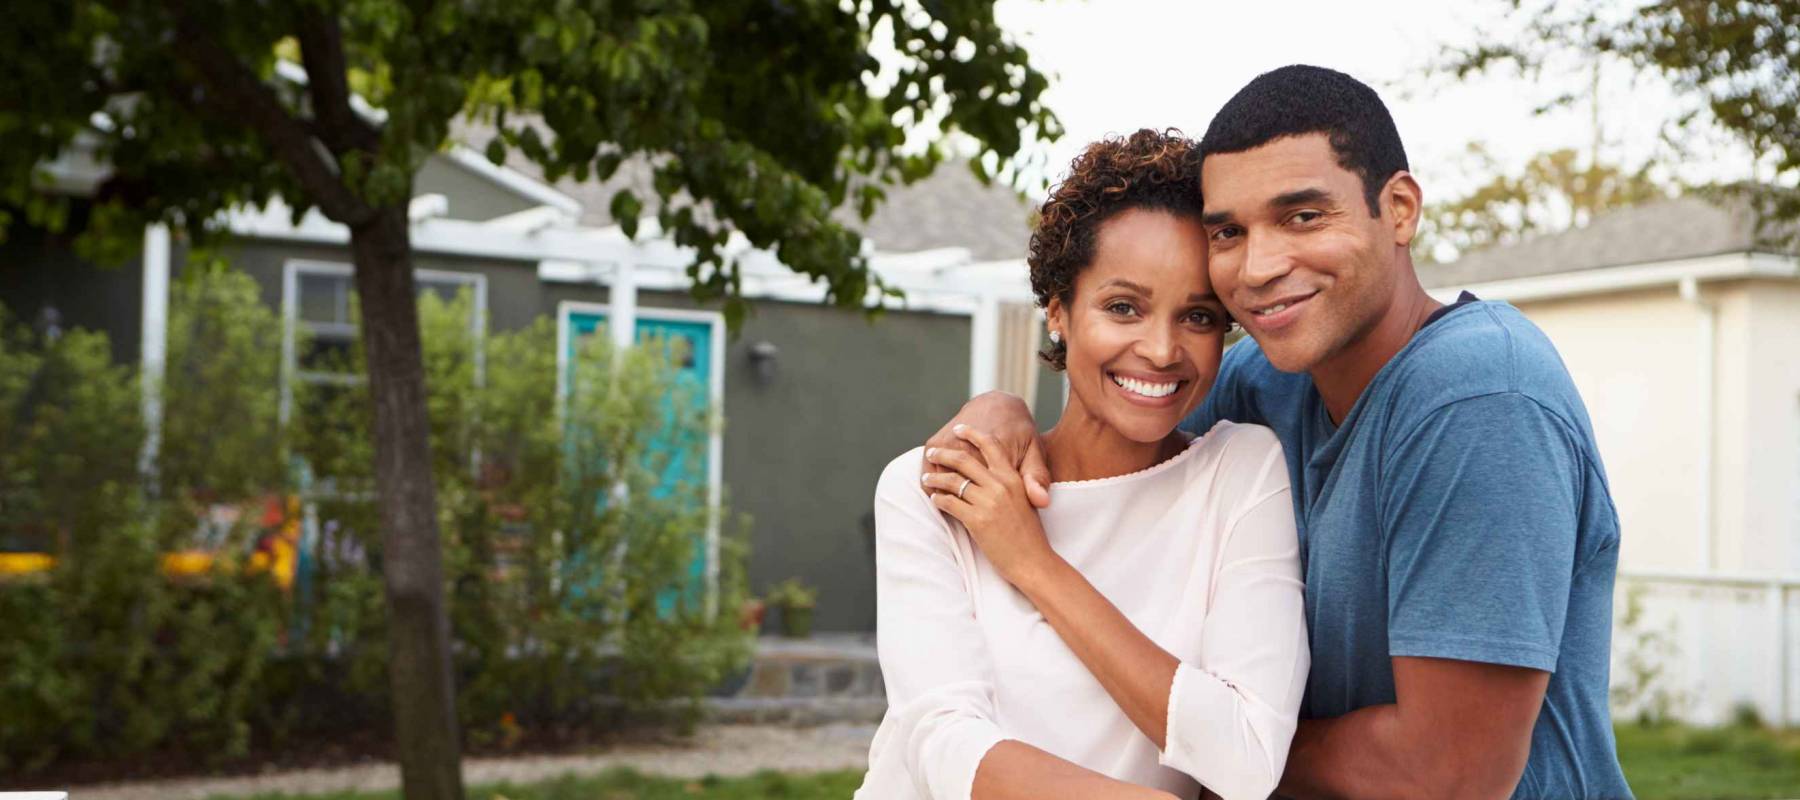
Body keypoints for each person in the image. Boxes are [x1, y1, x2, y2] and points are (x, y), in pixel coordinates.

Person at [925, 65, 1633, 799]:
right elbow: (1119, 425)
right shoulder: (1270, 382)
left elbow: (1445, 775)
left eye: (1303, 217)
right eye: (1229, 232)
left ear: (1398, 209)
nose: (1259, 267)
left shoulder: (1481, 397)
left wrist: (1234, 739)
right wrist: (1002, 409)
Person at [856, 129, 1308, 800]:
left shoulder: (1240, 475)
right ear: (1059, 312)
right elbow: (942, 743)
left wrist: (1034, 565)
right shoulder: (936, 486)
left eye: (1198, 316)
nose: (1160, 349)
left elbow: (1247, 758)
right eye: (1123, 307)